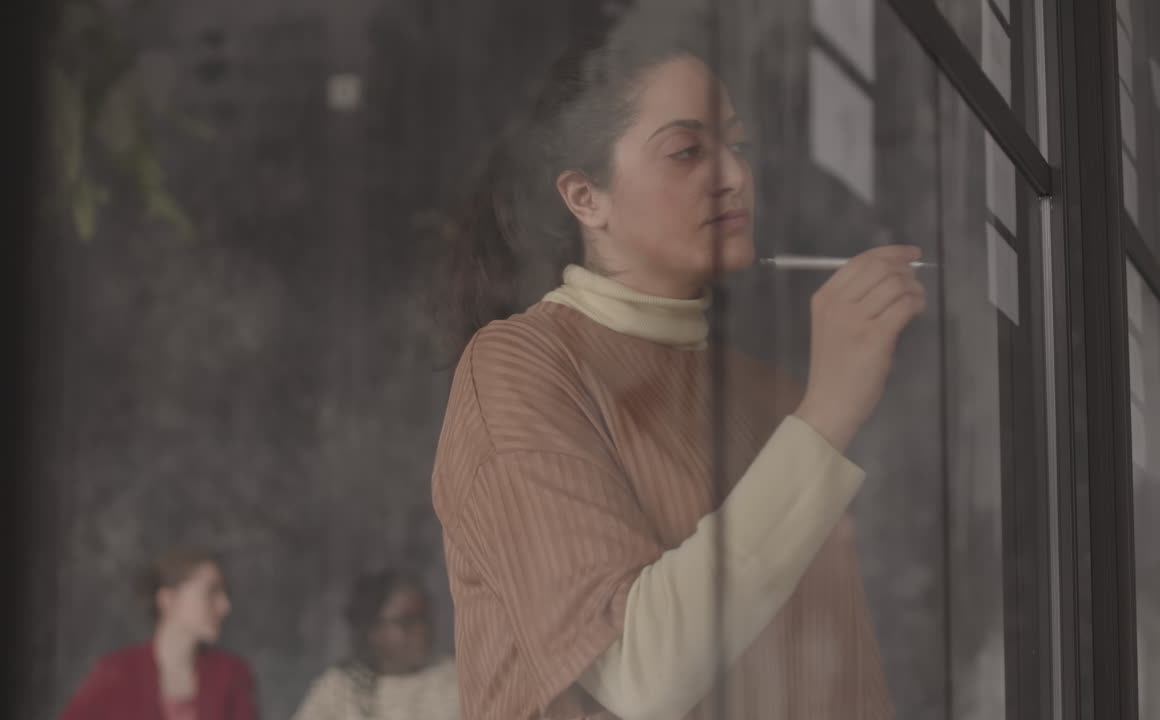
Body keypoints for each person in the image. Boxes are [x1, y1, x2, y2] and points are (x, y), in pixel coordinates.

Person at [431, 15, 926, 720]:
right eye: (688, 151)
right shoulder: (523, 366)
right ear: (584, 197)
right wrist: (831, 409)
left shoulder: (773, 396)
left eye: (739, 145)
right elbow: (641, 676)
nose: (734, 177)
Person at [59, 547, 258, 720]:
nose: (225, 605)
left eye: (224, 594)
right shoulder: (115, 672)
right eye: (211, 592)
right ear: (167, 599)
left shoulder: (232, 674)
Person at [291, 569, 460, 720]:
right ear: (372, 630)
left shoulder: (455, 681)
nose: (421, 631)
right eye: (406, 622)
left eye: (424, 619)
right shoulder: (340, 687)